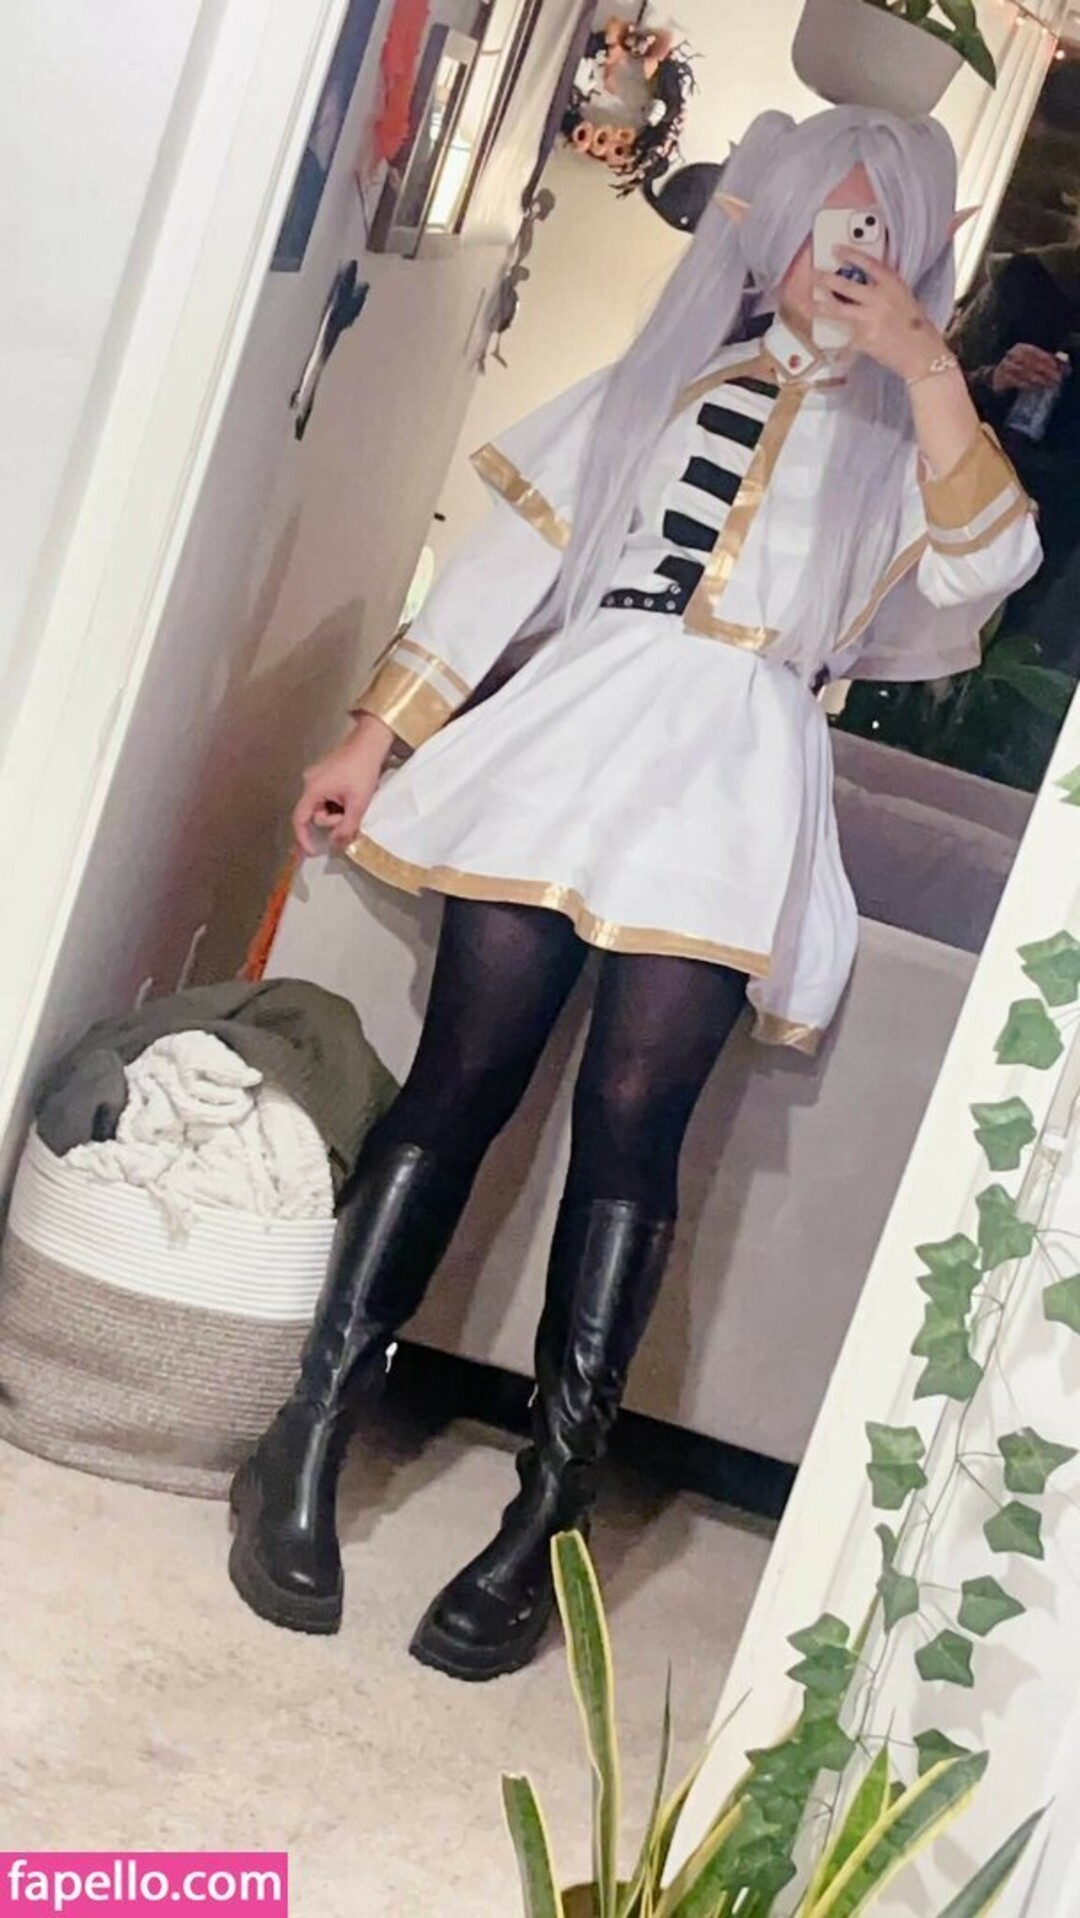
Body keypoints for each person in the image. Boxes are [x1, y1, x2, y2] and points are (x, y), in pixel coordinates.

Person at [228, 107, 1040, 1680]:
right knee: (460, 1080)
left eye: (880, 235)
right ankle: (305, 1431)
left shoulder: (910, 446)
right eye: (827, 223)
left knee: (632, 1126)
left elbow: (986, 568)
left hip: (734, 787)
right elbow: (502, 574)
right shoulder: (668, 379)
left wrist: (926, 365)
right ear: (774, 227)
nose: (846, 256)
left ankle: (548, 1511)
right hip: (569, 739)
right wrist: (374, 735)